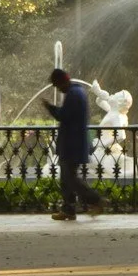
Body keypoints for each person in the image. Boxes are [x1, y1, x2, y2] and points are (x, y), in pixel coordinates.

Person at [42, 68, 107, 220]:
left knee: (71, 179)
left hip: (72, 145)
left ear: (62, 82)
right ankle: (68, 209)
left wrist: (49, 107)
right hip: (72, 144)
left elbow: (63, 116)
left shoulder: (73, 95)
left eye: (57, 85)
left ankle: (96, 200)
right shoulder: (78, 92)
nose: (57, 89)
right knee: (66, 178)